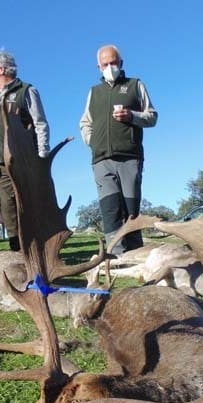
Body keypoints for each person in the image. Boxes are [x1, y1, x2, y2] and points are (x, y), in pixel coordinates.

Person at [79, 44, 158, 255]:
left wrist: (132, 116)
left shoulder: (135, 85)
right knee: (110, 210)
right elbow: (85, 122)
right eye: (105, 64)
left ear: (121, 63)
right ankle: (117, 260)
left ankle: (136, 257)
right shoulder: (94, 92)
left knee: (131, 212)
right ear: (98, 67)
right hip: (101, 160)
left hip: (129, 157)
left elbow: (152, 116)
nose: (110, 67)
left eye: (113, 63)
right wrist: (93, 141)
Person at [0, 50, 49, 251]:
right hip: (1, 161)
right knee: (8, 206)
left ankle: (38, 247)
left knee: (28, 203)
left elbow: (40, 123)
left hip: (26, 158)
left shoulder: (26, 90)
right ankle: (17, 248)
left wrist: (42, 155)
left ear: (2, 69)